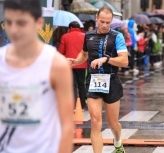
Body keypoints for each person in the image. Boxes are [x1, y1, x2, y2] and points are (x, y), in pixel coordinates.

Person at [0, 0, 74, 153]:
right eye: (8, 22)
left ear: (39, 22)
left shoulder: (56, 64)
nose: (13, 30)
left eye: (21, 23)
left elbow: (67, 125)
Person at [68, 6, 128, 153]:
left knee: (113, 124)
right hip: (94, 81)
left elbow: (124, 61)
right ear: (97, 19)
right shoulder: (88, 36)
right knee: (95, 122)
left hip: (112, 80)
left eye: (108, 22)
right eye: (102, 21)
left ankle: (118, 143)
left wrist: (106, 59)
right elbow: (84, 54)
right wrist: (75, 61)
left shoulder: (117, 36)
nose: (104, 25)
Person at [58, 21, 87, 110]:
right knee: (82, 84)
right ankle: (82, 104)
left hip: (69, 64)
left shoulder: (65, 37)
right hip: (82, 63)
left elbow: (60, 52)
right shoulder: (84, 36)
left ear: (70, 28)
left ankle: (74, 105)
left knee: (72, 85)